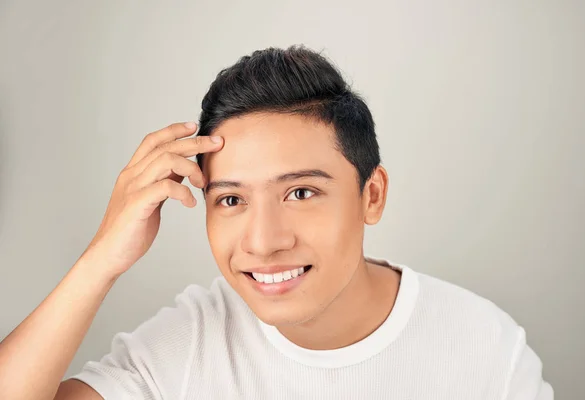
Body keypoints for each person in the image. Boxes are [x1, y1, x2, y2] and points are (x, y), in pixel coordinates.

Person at [0, 45, 553, 400]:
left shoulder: (484, 349)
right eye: (232, 200)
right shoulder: (191, 341)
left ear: (372, 195)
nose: (264, 242)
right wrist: (101, 259)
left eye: (301, 191)